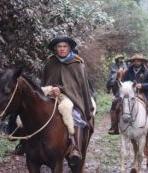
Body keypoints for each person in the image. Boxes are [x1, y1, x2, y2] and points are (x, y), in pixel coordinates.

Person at [41, 35, 95, 164]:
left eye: (64, 46)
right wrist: (50, 89)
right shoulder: (50, 62)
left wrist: (62, 89)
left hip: (72, 97)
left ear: (69, 48)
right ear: (55, 48)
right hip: (49, 95)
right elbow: (45, 80)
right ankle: (25, 143)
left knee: (74, 114)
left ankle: (75, 147)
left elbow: (79, 87)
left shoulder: (77, 64)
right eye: (59, 47)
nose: (61, 49)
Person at [122, 54, 148, 136]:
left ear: (141, 62)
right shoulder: (128, 72)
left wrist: (142, 85)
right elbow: (122, 82)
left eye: (138, 60)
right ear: (132, 62)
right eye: (135, 60)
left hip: (144, 92)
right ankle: (115, 126)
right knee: (116, 103)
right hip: (129, 92)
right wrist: (129, 85)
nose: (136, 62)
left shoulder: (147, 72)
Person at [106, 54, 128, 135]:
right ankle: (114, 127)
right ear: (116, 59)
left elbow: (127, 71)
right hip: (117, 84)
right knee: (111, 80)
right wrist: (117, 74)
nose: (120, 59)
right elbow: (113, 72)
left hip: (126, 85)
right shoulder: (114, 66)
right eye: (119, 58)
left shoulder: (125, 65)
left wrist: (124, 72)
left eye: (121, 58)